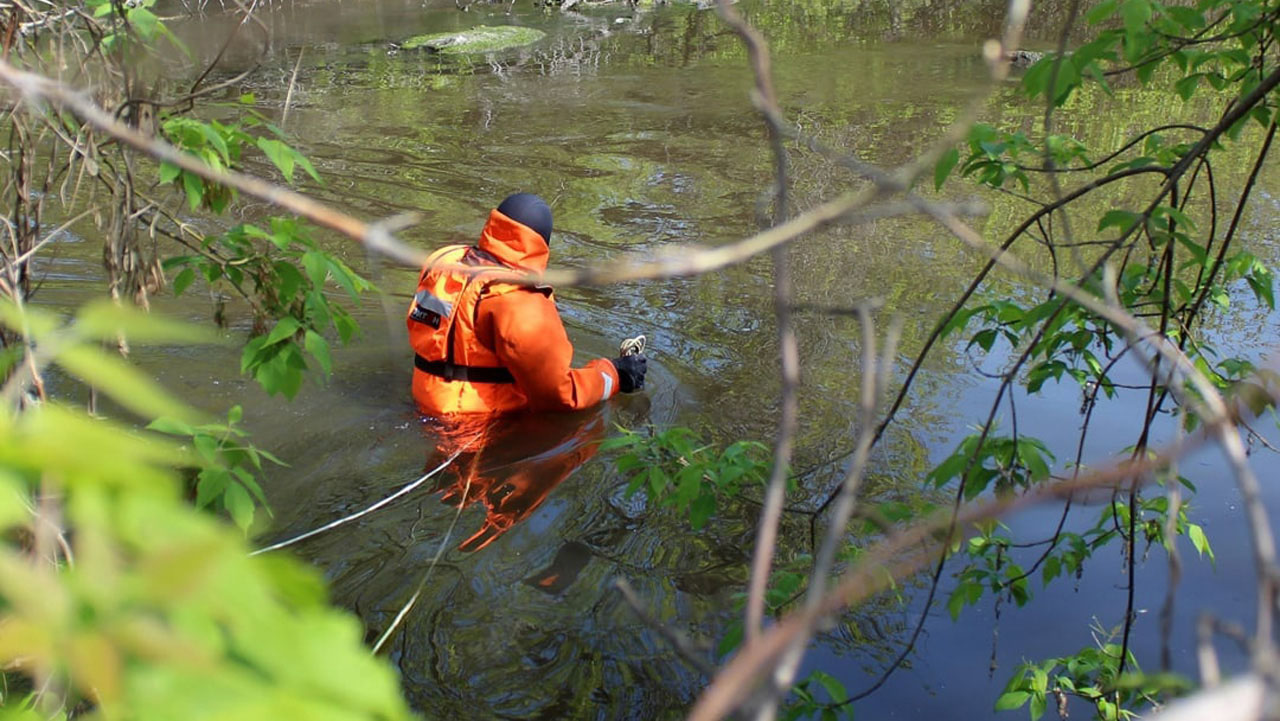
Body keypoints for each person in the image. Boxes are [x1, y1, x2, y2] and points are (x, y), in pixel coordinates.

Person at [407, 193, 647, 416]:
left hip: (426, 398)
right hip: (478, 424)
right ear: (542, 244)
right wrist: (616, 374)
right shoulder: (518, 297)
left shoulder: (444, 261)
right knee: (577, 450)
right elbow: (559, 396)